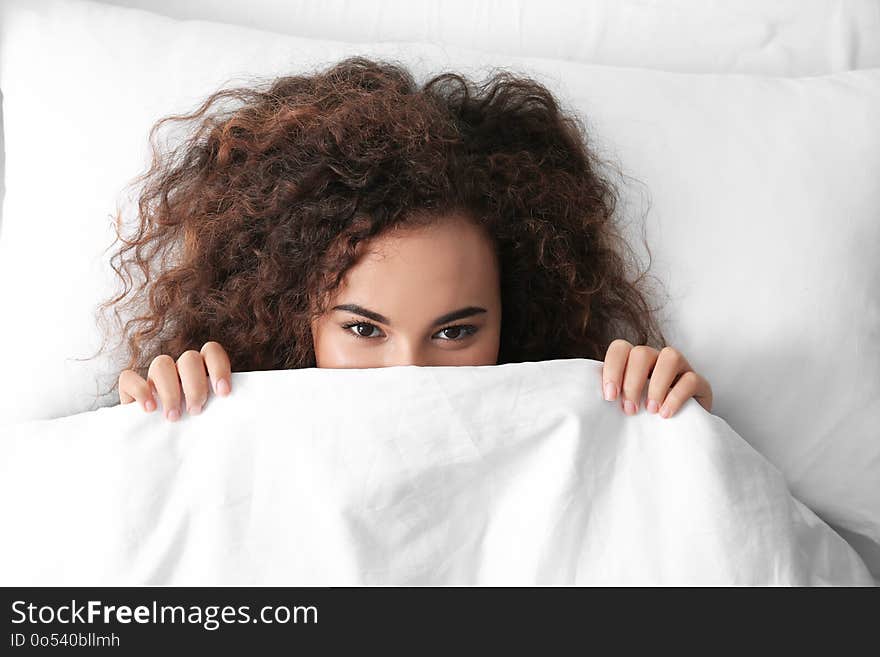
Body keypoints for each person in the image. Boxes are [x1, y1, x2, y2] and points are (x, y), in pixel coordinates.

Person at [97, 56, 712, 423]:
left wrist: (678, 430)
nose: (410, 373)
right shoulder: (228, 415)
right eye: (363, 329)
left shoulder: (573, 425)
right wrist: (154, 426)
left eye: (456, 332)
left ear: (514, 318)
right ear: (293, 316)